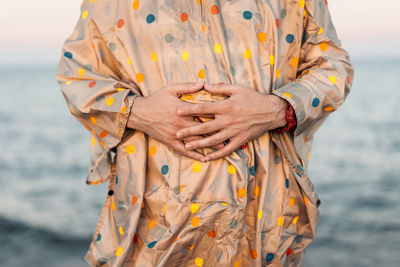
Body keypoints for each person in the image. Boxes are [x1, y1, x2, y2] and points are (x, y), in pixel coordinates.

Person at [56, 0, 354, 266]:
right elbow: (77, 74)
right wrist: (139, 112)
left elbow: (333, 68)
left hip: (264, 221)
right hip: (151, 234)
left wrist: (274, 109)